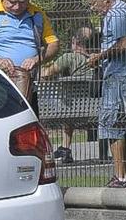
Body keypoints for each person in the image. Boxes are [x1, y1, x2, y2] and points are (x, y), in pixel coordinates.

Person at [83, 0, 126, 188]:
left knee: (113, 124)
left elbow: (123, 45)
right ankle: (123, 175)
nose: (92, 8)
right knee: (123, 126)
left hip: (119, 75)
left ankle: (121, 177)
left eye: (93, 3)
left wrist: (99, 56)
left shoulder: (116, 14)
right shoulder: (122, 10)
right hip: (124, 74)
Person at [40, 27, 100, 162]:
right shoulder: (97, 60)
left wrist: (42, 67)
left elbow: (46, 74)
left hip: (69, 107)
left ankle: (45, 150)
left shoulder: (69, 57)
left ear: (74, 41)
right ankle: (65, 148)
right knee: (70, 104)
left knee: (41, 104)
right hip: (91, 106)